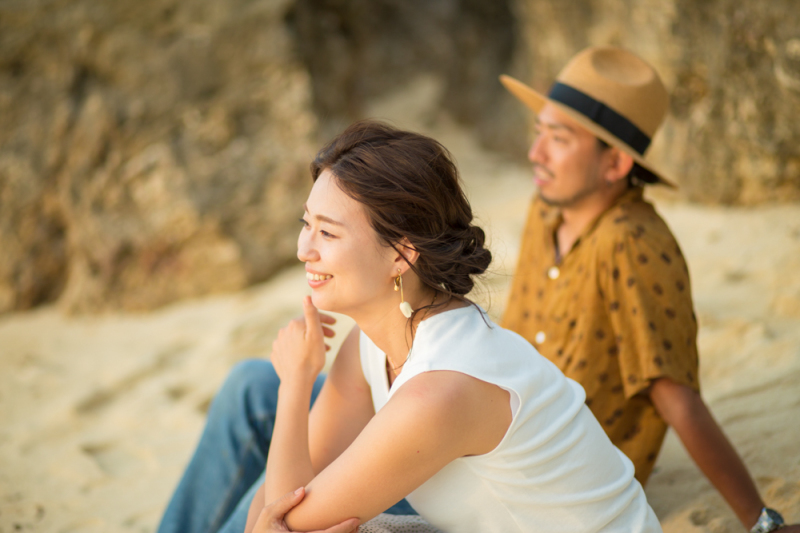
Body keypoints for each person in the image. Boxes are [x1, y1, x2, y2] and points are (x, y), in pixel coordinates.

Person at [159, 120, 662, 533]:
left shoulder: (438, 393)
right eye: (305, 223)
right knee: (259, 407)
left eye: (328, 232)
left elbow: (286, 522)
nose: (303, 250)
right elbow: (275, 512)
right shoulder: (374, 343)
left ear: (402, 254)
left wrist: (296, 381)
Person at [498, 46, 796, 533]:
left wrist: (760, 521)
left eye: (558, 138)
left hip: (561, 485)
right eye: (538, 133)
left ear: (614, 164)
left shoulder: (632, 245)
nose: (536, 153)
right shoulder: (546, 208)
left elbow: (674, 393)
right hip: (503, 440)